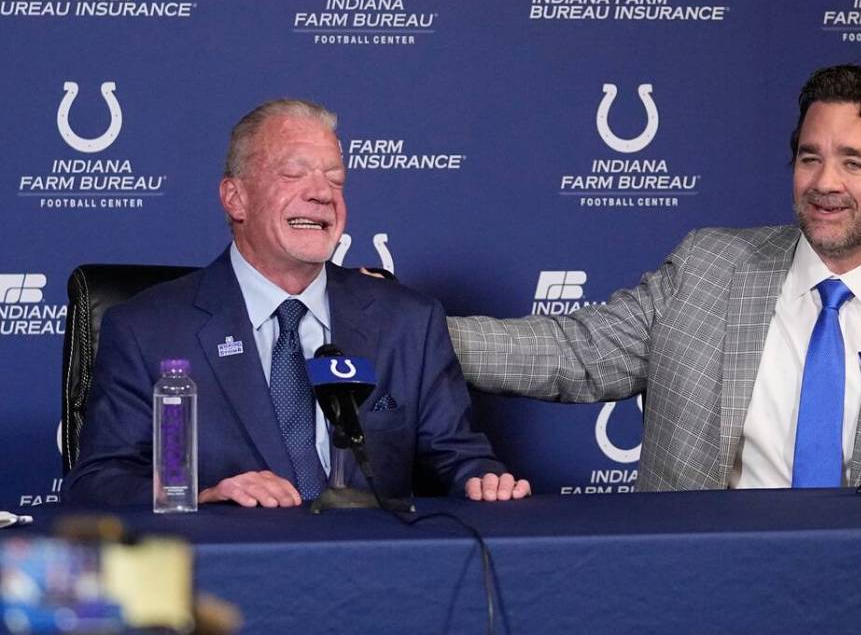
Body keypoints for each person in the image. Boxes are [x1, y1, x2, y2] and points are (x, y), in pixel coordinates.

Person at [449, 64, 861, 490]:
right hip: (707, 594)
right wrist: (399, 329)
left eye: (853, 162)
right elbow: (569, 351)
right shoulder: (709, 267)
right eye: (810, 158)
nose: (824, 182)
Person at [64, 99, 529, 507]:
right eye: (293, 174)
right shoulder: (148, 329)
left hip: (378, 582)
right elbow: (100, 481)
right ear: (236, 197)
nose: (322, 193)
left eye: (336, 179)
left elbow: (459, 458)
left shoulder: (408, 321)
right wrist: (203, 496)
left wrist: (483, 482)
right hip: (225, 585)